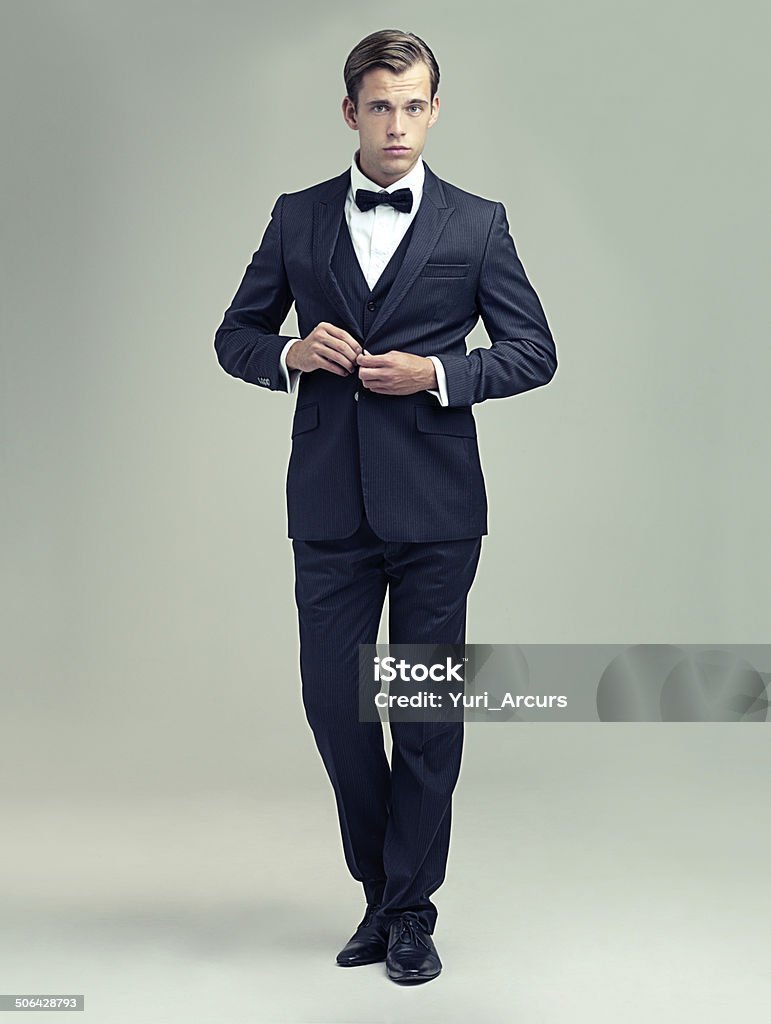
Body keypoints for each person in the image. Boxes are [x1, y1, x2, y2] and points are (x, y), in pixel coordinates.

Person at [213, 28, 557, 984]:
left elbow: (533, 351)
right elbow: (234, 335)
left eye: (413, 106)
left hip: (437, 509)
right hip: (328, 507)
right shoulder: (297, 217)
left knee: (425, 713)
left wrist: (439, 373)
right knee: (337, 707)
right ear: (349, 112)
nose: (396, 124)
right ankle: (383, 891)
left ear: (434, 110)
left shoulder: (476, 224)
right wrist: (288, 352)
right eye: (379, 106)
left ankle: (407, 912)